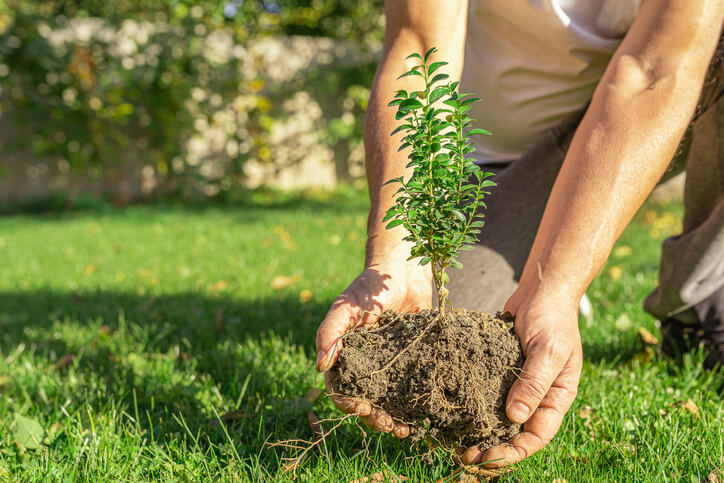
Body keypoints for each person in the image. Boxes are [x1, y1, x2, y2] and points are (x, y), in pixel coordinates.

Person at [315, 0, 724, 468]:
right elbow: (418, 47)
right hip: (474, 169)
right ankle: (526, 256)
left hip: (608, 146)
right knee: (447, 322)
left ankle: (696, 302)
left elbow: (656, 70)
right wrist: (398, 257)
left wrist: (558, 288)